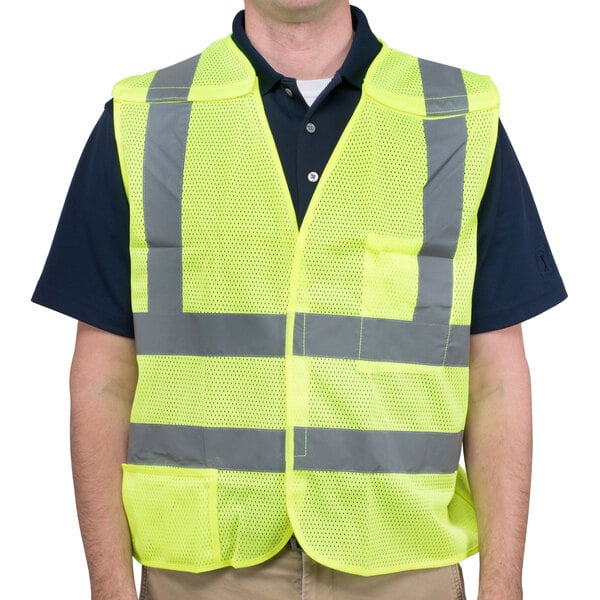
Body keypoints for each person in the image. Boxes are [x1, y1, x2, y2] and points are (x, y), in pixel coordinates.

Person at [32, 1, 567, 599]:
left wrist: (504, 586)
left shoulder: (457, 117)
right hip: (201, 571)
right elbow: (101, 378)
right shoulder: (144, 119)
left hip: (402, 565)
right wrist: (108, 587)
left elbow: (497, 379)